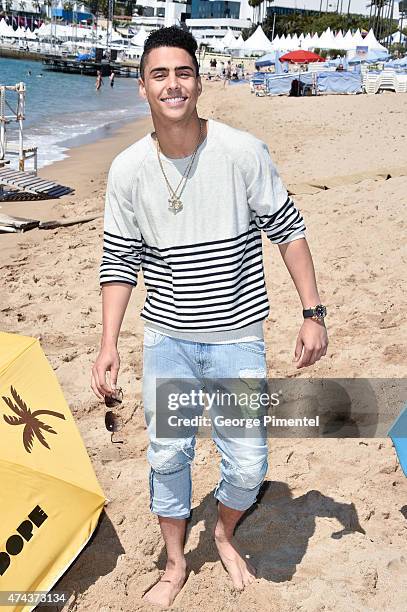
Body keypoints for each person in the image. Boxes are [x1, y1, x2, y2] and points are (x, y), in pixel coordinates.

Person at [91, 26, 328, 608]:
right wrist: (108, 342)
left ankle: (222, 532)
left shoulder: (241, 151)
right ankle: (175, 563)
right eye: (159, 74)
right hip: (167, 338)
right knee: (169, 455)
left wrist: (313, 312)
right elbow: (119, 260)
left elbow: (288, 231)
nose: (173, 84)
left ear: (198, 80)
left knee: (248, 464)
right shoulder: (127, 170)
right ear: (142, 88)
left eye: (182, 72)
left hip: (236, 338)